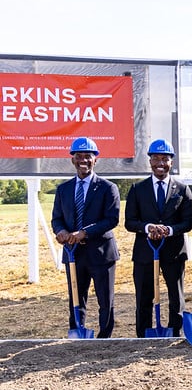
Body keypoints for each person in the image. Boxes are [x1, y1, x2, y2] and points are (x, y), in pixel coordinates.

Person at [51, 137, 120, 338]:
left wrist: (85, 232)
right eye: (78, 156)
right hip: (74, 253)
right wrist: (60, 232)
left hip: (101, 253)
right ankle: (77, 333)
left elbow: (111, 219)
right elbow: (57, 219)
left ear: (95, 159)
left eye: (88, 156)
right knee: (75, 297)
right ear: (72, 159)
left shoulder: (108, 188)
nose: (83, 160)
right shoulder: (63, 189)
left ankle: (104, 337)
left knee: (105, 300)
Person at [124, 139, 192, 338]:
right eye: (155, 158)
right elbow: (130, 222)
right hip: (145, 252)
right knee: (144, 296)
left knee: (176, 295)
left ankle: (174, 331)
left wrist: (168, 230)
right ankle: (143, 333)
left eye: (165, 159)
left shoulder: (182, 189)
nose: (160, 163)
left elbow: (187, 223)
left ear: (171, 162)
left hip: (173, 252)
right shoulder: (138, 189)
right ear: (150, 161)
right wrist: (148, 227)